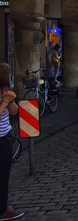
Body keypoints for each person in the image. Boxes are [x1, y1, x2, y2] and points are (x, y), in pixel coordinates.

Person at [0, 63, 24, 220]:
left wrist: (11, 100)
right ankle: (2, 210)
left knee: (4, 175)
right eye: (9, 74)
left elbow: (14, 112)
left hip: (5, 137)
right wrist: (4, 102)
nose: (11, 76)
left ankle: (3, 205)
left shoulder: (4, 91)